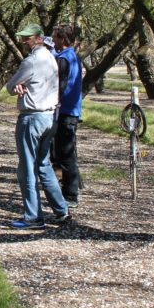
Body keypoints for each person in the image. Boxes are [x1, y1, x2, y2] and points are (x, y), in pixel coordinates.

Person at [4, 24, 70, 229]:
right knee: (43, 165)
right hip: (49, 117)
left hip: (31, 118)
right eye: (23, 38)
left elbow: (8, 86)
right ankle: (61, 211)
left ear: (39, 38)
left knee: (26, 169)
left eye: (28, 38)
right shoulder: (51, 58)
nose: (24, 42)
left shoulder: (31, 61)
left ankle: (33, 217)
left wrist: (17, 87)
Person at [52, 24, 83, 207]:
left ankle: (70, 195)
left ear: (63, 39)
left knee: (66, 154)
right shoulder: (73, 57)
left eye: (56, 37)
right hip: (71, 110)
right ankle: (72, 186)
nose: (53, 40)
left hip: (65, 112)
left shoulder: (64, 59)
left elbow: (60, 86)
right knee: (68, 151)